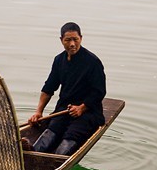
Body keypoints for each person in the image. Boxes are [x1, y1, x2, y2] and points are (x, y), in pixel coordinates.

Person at [26, 22, 107, 155]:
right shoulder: (59, 60)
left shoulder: (92, 62)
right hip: (64, 110)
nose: (72, 44)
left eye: (75, 39)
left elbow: (99, 91)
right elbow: (48, 88)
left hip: (88, 112)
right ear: (61, 40)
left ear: (81, 38)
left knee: (71, 136)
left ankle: (56, 160)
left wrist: (82, 108)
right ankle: (33, 152)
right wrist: (38, 112)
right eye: (68, 40)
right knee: (52, 130)